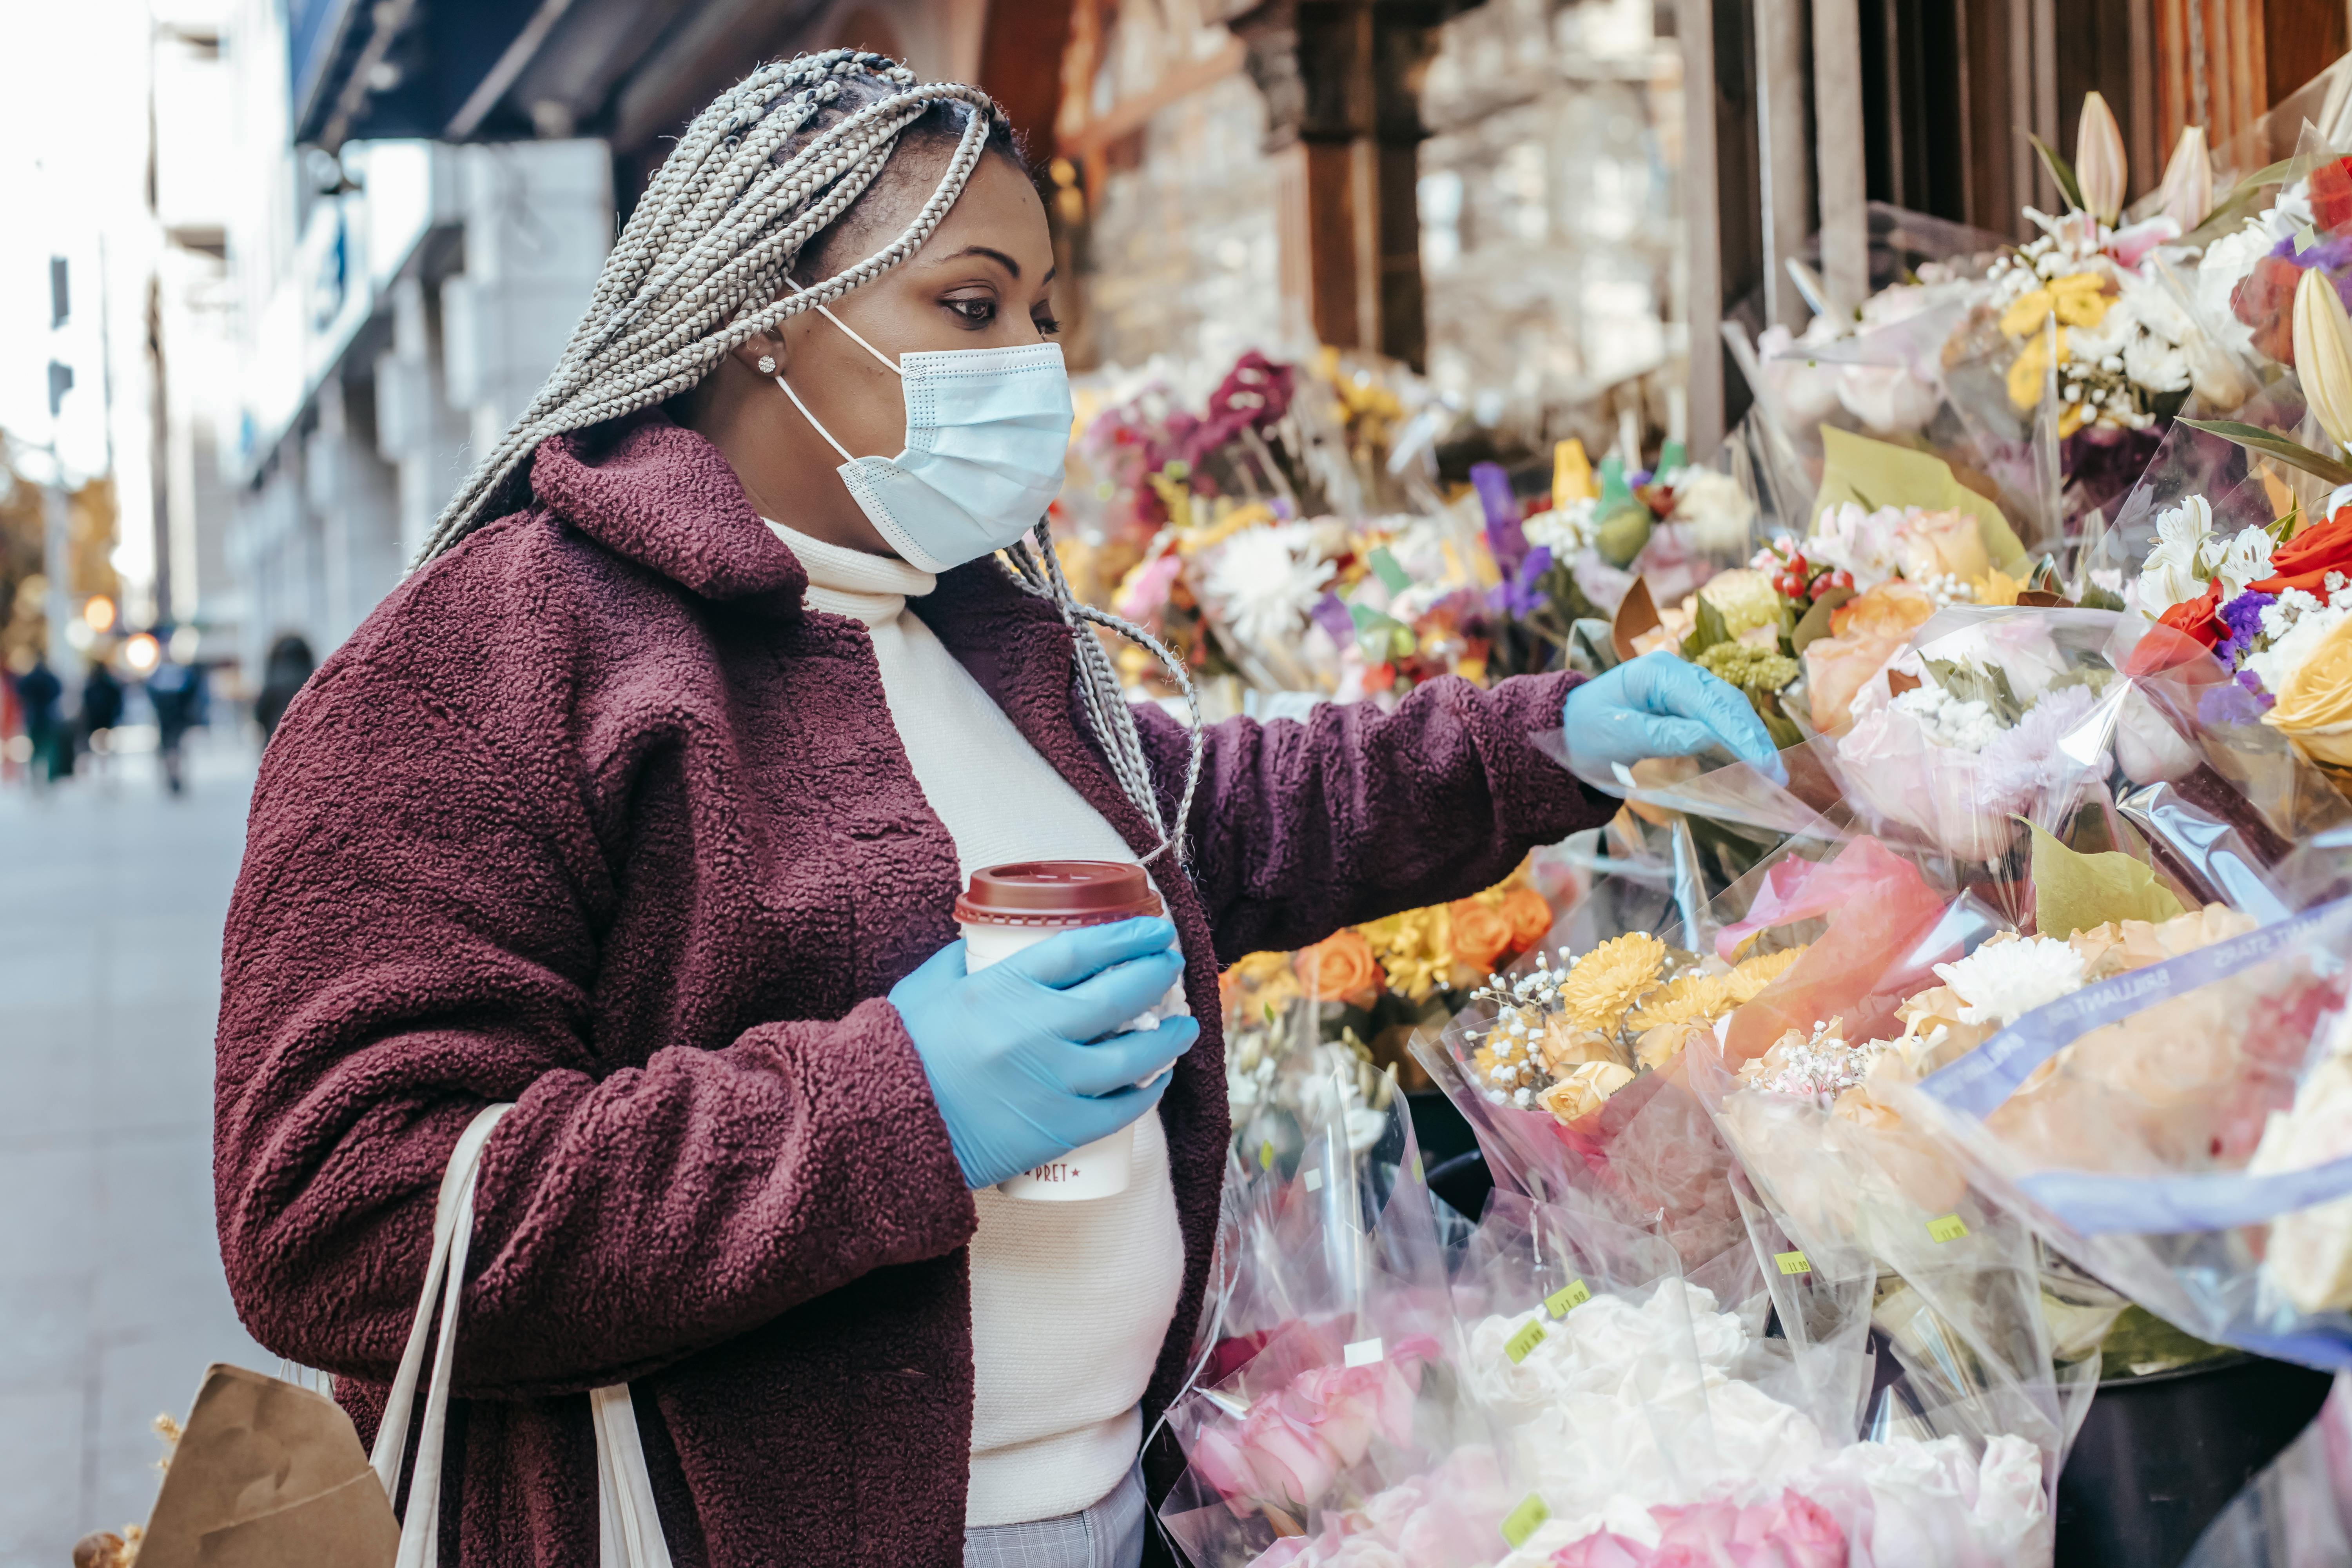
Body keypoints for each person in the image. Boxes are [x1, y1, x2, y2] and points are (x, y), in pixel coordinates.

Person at [212, 52, 1774, 1568]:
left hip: (1108, 1504)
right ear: (764, 316)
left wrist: (1542, 738)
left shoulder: (976, 624)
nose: (1032, 363)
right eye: (969, 305)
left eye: (1040, 314)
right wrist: (890, 1107)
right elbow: (336, 1212)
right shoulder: (486, 658)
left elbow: (1219, 817)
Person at [144, 647, 206, 795]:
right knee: (175, 748)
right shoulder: (179, 674)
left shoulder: (161, 675)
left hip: (171, 717)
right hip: (174, 717)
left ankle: (174, 775)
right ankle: (175, 775)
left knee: (172, 749)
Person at [12, 654, 67, 786]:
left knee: (36, 749)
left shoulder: (31, 679)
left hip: (35, 718)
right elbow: (58, 690)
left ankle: (35, 776)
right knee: (48, 749)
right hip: (47, 718)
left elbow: (20, 691)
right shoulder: (49, 678)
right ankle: (49, 777)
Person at [252, 633, 313, 741]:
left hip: (277, 739)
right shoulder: (313, 679)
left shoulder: (273, 679)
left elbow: (260, 713)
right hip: (309, 740)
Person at [79, 658, 124, 770]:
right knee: (105, 744)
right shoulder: (110, 685)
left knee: (98, 744)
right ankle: (104, 764)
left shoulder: (91, 686)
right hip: (107, 719)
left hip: (97, 720)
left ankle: (102, 764)